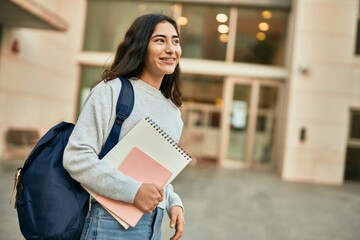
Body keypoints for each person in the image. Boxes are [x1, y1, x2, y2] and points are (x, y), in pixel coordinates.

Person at [63, 13, 185, 240]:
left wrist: (172, 203)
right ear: (140, 46)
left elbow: (157, 175)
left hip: (154, 226)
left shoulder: (173, 112)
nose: (171, 49)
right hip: (109, 222)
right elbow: (76, 157)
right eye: (160, 40)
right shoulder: (111, 91)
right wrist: (134, 191)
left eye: (175, 41)